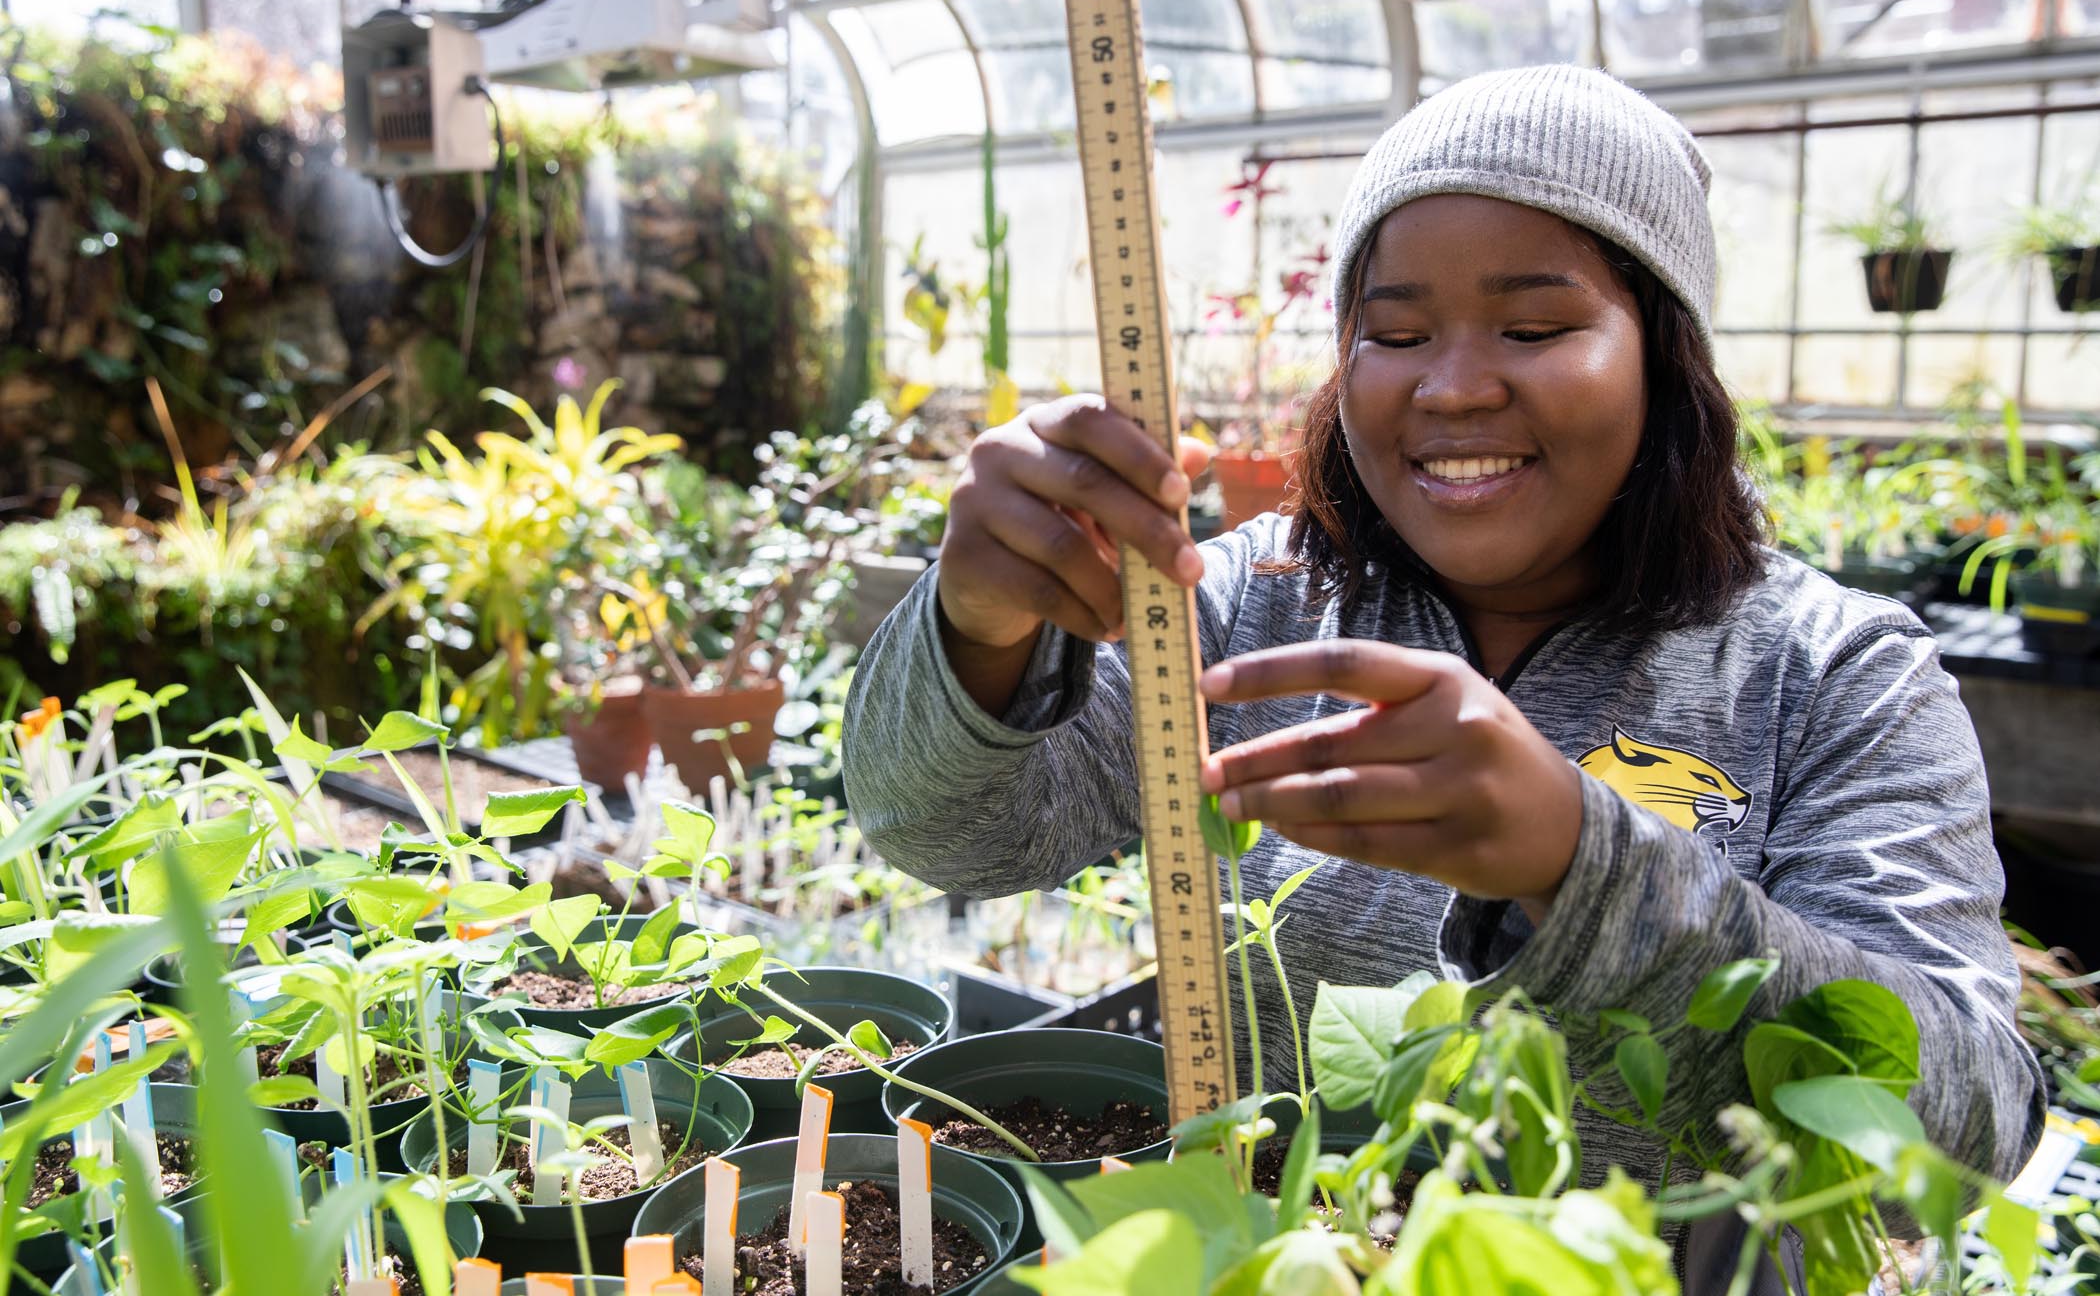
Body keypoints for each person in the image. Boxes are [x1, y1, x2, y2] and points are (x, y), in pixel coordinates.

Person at [841, 64, 2043, 1288]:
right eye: (1396, 332)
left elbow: (1968, 1124)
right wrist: (978, 620)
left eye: (1535, 327)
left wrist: (1586, 864)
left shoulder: (1833, 672)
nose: (1452, 384)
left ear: (1663, 354)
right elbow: (953, 833)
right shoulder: (1245, 598)